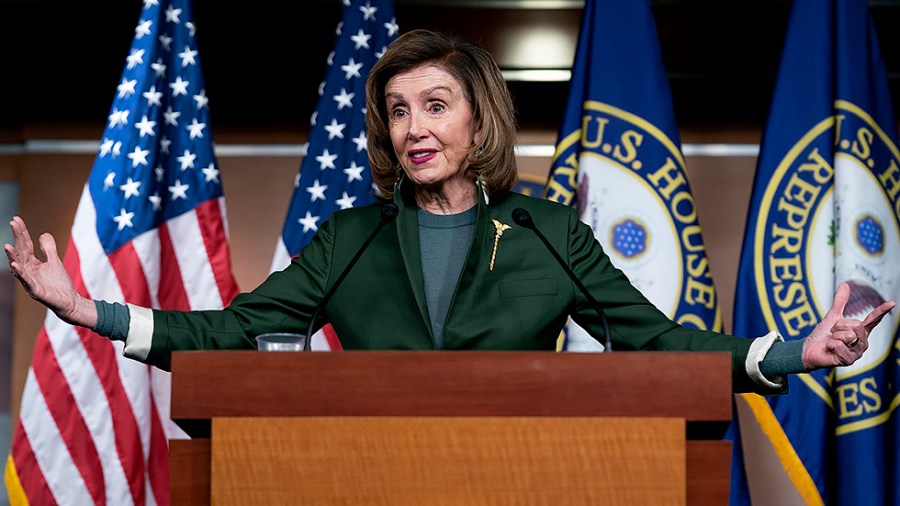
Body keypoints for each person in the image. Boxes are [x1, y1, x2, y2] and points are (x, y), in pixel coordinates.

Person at [5, 29, 895, 394]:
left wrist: (793, 351)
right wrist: (91, 312)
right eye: (397, 111)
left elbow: (656, 341)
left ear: (479, 118)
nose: (414, 127)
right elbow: (236, 331)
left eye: (435, 104)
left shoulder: (551, 232)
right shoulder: (350, 240)